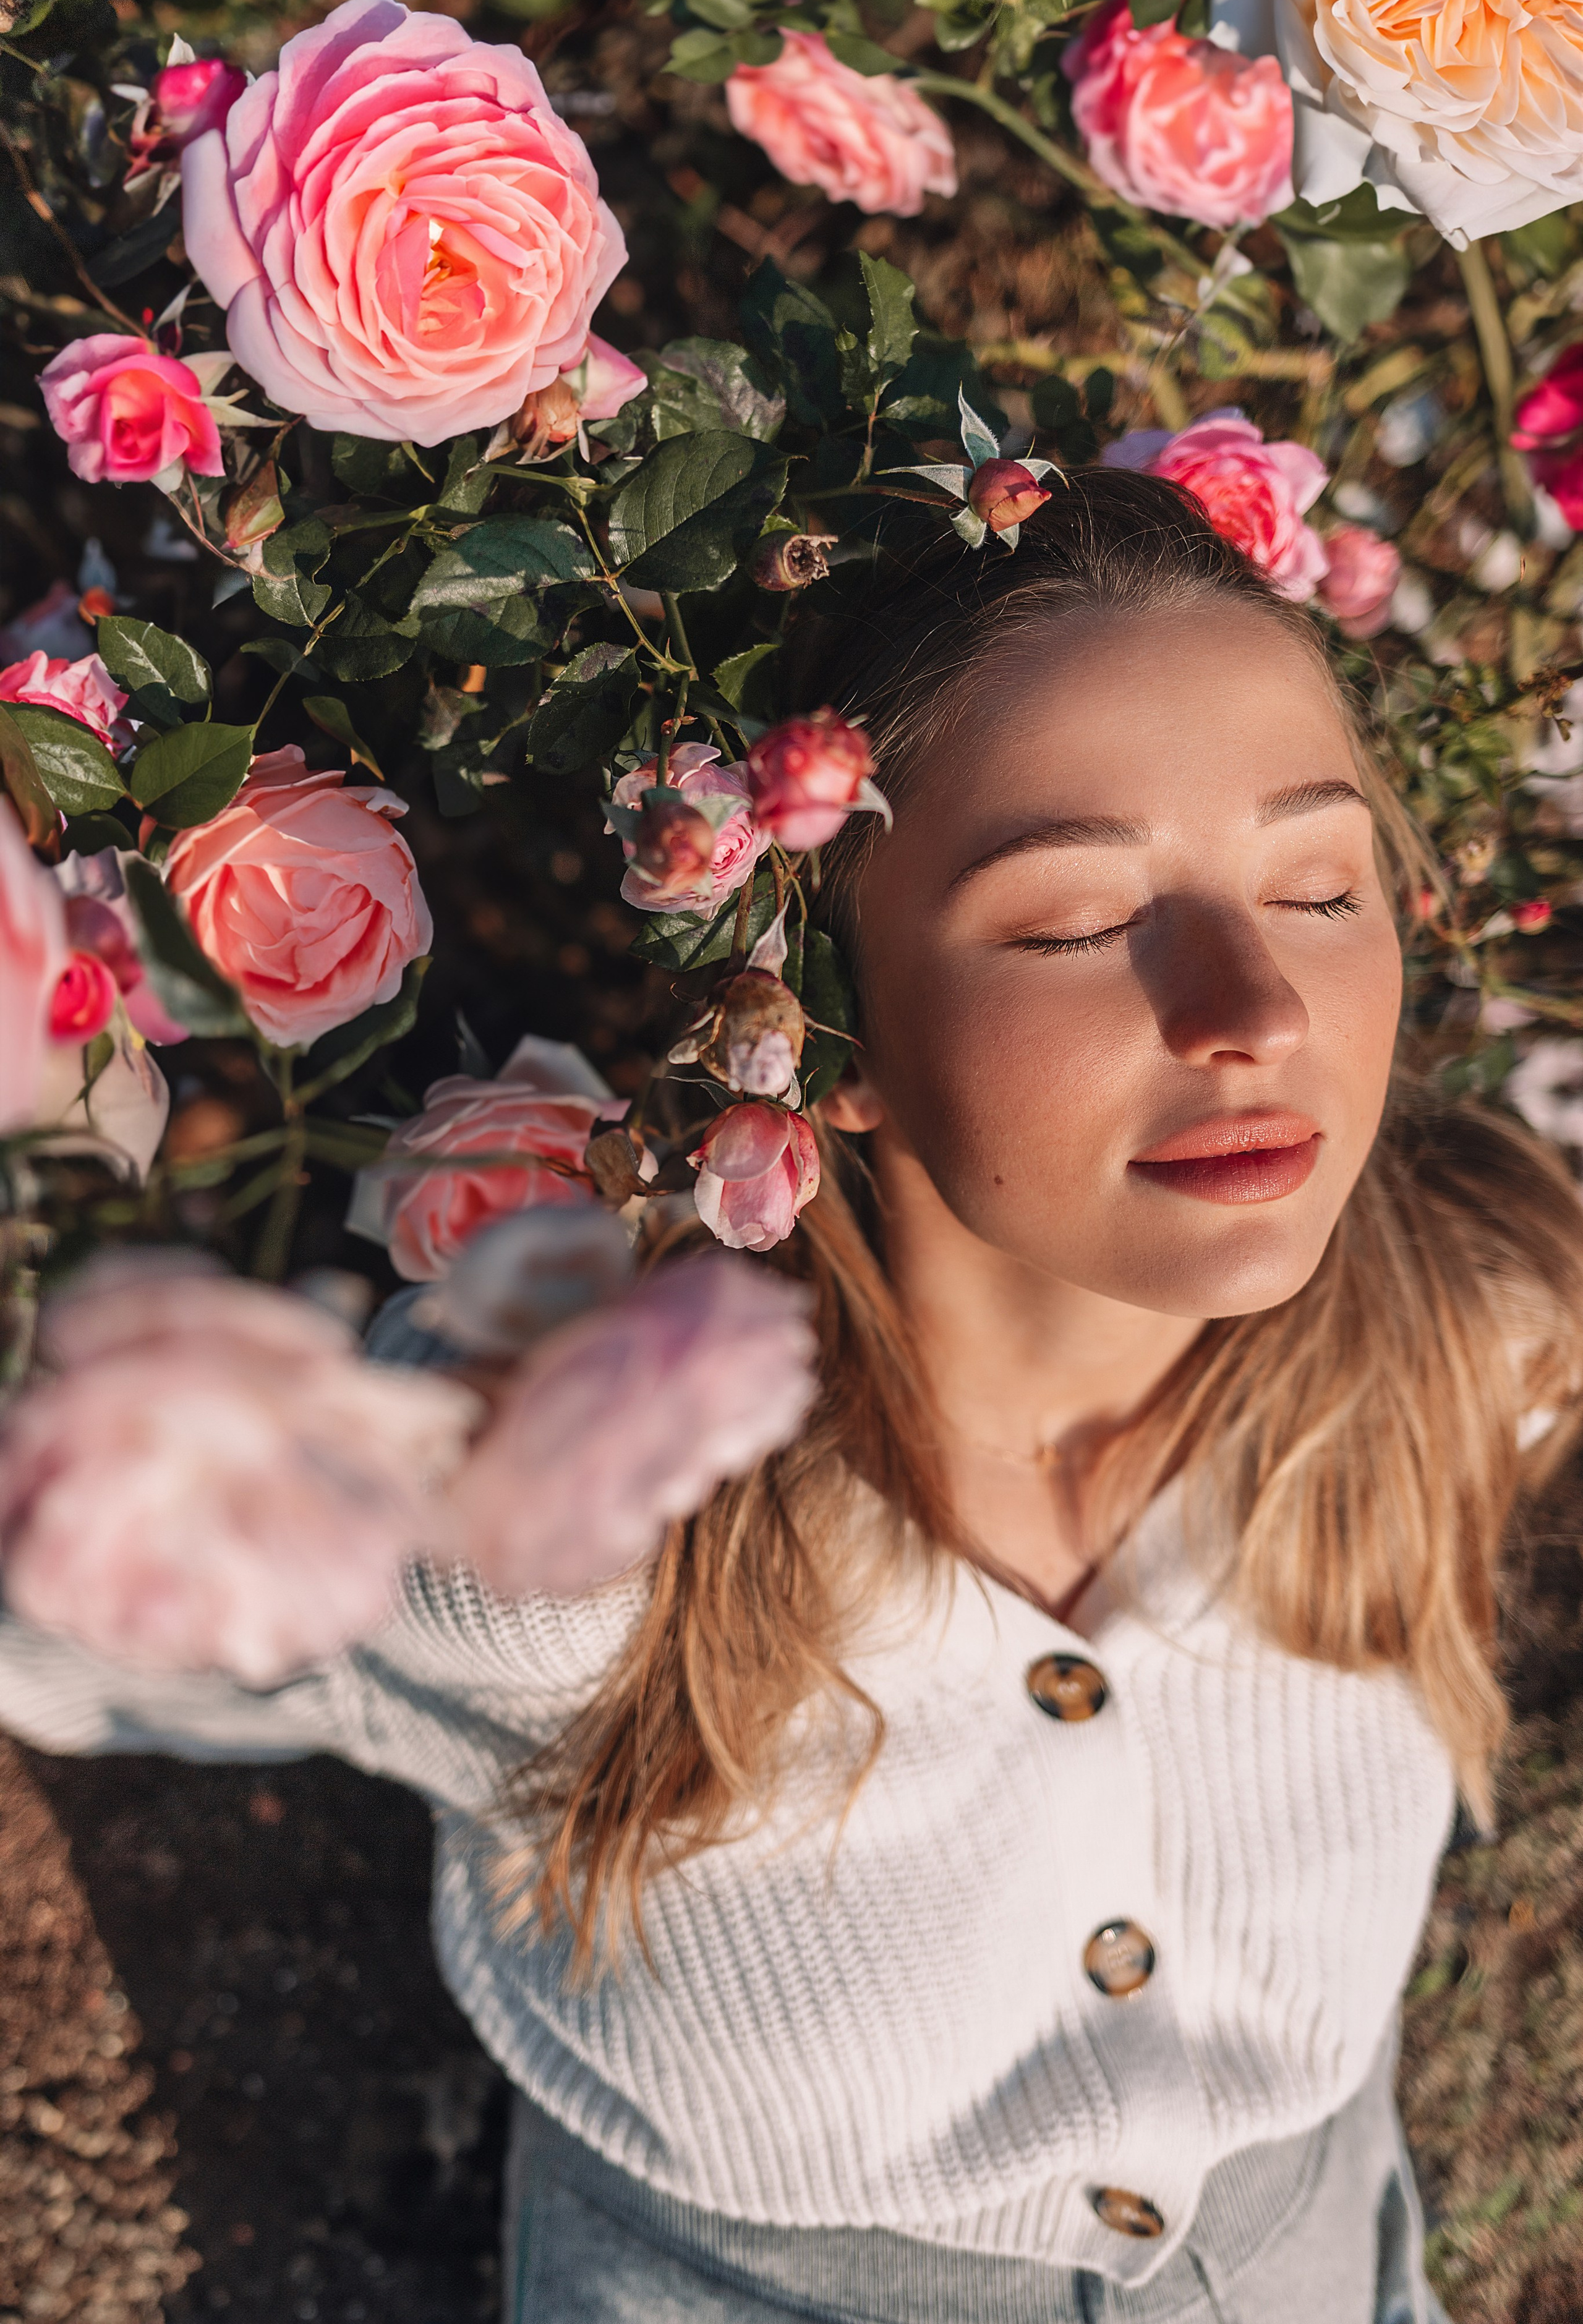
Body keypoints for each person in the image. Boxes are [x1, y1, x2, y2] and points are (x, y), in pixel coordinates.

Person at [2, 470, 1581, 2321]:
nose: (1257, 1006)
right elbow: (97, 1599)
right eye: (1074, 922)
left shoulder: (1465, 1337)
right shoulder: (589, 1545)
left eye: (1321, 885)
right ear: (824, 1034)